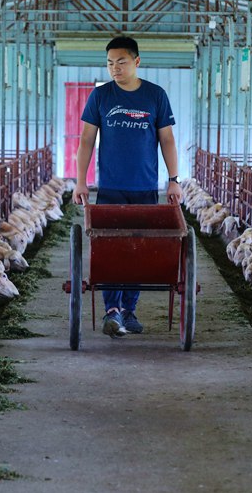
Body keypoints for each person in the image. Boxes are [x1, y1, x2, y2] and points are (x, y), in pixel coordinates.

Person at [72, 36, 183, 338]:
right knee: (109, 247)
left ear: (136, 61)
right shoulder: (101, 97)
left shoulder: (155, 96)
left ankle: (130, 310)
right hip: (110, 187)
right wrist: (81, 181)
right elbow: (86, 140)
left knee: (138, 247)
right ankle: (112, 310)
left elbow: (167, 140)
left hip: (145, 187)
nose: (114, 68)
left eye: (121, 61)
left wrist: (174, 181)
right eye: (109, 63)